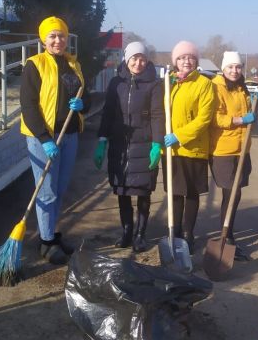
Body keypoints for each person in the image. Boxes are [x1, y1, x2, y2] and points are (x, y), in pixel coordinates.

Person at [20, 16, 90, 265]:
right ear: (43, 39)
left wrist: (82, 105)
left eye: (61, 35)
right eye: (52, 36)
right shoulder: (34, 65)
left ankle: (51, 232)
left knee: (59, 189)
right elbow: (28, 107)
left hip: (70, 135)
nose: (57, 40)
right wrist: (43, 138)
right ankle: (46, 242)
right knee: (46, 191)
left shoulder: (74, 65)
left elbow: (87, 97)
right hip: (44, 139)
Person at [94, 41, 163, 252]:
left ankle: (140, 234)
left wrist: (157, 143)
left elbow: (158, 115)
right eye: (134, 58)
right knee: (122, 190)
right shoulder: (116, 82)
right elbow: (107, 113)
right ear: (127, 59)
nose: (138, 62)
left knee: (143, 191)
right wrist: (102, 140)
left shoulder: (154, 84)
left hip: (144, 143)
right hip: (120, 143)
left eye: (142, 58)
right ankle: (126, 231)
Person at [163, 40, 216, 254]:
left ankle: (187, 233)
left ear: (196, 60)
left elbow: (204, 119)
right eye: (182, 57)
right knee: (175, 193)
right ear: (175, 61)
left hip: (193, 148)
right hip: (172, 150)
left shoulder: (204, 84)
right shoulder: (170, 82)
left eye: (191, 57)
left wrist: (179, 136)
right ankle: (174, 232)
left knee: (191, 194)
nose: (187, 61)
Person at [209, 51, 257, 261]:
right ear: (223, 68)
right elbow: (215, 118)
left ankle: (228, 235)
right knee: (229, 193)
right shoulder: (216, 87)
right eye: (230, 67)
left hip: (242, 148)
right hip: (223, 149)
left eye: (238, 67)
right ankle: (226, 237)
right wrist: (239, 120)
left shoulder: (241, 88)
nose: (234, 71)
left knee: (235, 195)